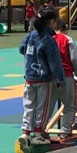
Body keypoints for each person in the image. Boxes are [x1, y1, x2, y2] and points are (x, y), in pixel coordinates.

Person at [19, 9, 64, 145]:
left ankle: (26, 133)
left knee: (29, 105)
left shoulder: (30, 35)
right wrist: (60, 79)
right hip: (43, 78)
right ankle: (38, 134)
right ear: (51, 21)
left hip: (29, 77)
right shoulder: (49, 40)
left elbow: (21, 49)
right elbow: (55, 62)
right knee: (42, 107)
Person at [53, 16, 77, 136]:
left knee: (47, 107)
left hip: (50, 78)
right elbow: (74, 59)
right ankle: (65, 132)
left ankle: (40, 131)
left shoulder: (48, 39)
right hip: (66, 76)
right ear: (65, 30)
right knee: (69, 106)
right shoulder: (67, 39)